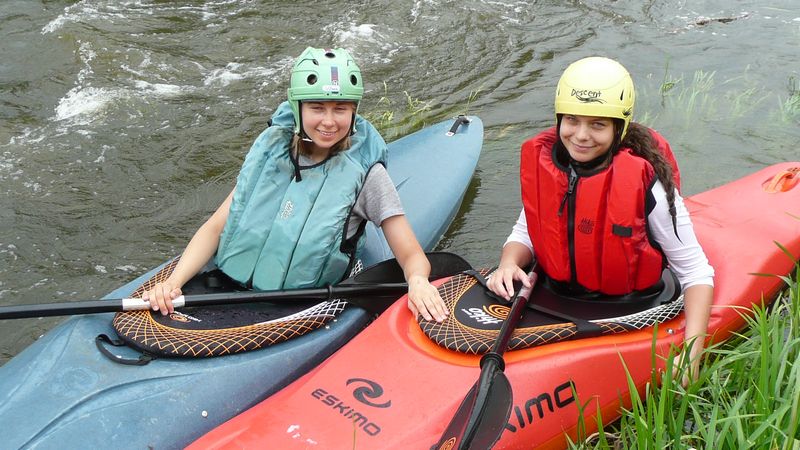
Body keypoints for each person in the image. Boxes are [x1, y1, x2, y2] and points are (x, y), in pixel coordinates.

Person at [142, 47, 448, 323]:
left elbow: (411, 255)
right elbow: (216, 227)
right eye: (317, 107)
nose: (329, 121)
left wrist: (418, 281)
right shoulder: (271, 150)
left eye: (340, 109)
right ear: (297, 107)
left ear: (353, 112)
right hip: (225, 282)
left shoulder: (368, 176)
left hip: (302, 303)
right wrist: (174, 282)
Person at [486, 56, 714, 384]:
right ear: (559, 119)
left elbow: (695, 271)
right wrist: (509, 262)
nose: (581, 135)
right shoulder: (547, 166)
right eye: (572, 121)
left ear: (618, 128)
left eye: (597, 124)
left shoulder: (646, 181)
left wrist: (693, 354)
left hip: (631, 306)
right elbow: (526, 229)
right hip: (557, 297)